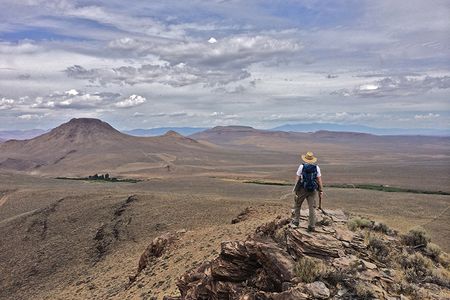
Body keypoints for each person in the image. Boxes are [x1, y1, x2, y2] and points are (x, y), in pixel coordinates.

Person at [292, 151, 324, 231]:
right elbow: (319, 180)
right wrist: (320, 190)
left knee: (298, 205)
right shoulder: (317, 167)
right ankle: (312, 226)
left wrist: (296, 189)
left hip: (303, 189)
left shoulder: (301, 166)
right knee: (312, 208)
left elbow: (298, 178)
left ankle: (296, 221)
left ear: (306, 159)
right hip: (313, 190)